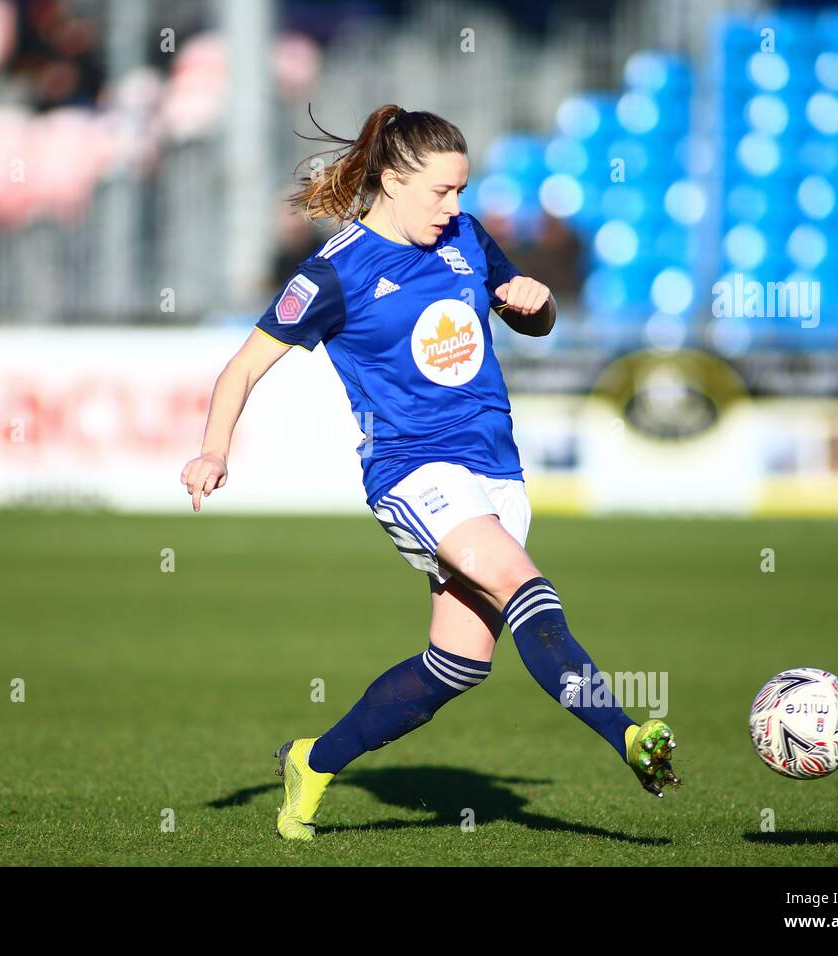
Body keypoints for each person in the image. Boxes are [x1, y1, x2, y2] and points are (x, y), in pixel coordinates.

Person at [181, 105, 679, 842]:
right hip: (412, 470)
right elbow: (244, 364)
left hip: (496, 470)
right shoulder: (333, 272)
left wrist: (534, 306)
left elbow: (521, 314)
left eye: (461, 190)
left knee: (459, 663)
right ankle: (628, 734)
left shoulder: (468, 238)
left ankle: (313, 761)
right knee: (522, 584)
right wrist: (214, 450)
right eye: (441, 192)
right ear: (390, 180)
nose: (454, 207)